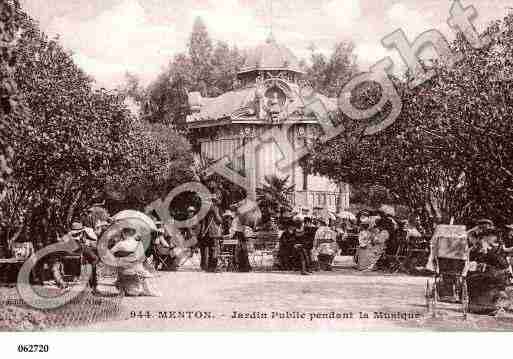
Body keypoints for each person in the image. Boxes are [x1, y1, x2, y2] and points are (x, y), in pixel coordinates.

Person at [467, 228, 510, 314]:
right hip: (486, 274)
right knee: (472, 278)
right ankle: (478, 306)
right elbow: (473, 257)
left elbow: (504, 265)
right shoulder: (478, 248)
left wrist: (487, 253)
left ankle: (488, 306)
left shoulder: (497, 248)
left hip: (496, 275)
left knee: (476, 279)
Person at [110, 227, 160, 297]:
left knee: (121, 267)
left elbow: (110, 253)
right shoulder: (139, 244)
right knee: (141, 269)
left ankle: (123, 289)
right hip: (138, 270)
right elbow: (142, 258)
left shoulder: (120, 244)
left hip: (124, 270)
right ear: (134, 234)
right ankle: (147, 290)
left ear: (124, 234)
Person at [55, 222, 100, 294]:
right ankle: (93, 285)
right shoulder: (81, 245)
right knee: (94, 260)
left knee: (90, 261)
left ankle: (91, 283)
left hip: (69, 260)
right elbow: (94, 240)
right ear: (80, 232)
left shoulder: (66, 239)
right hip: (80, 257)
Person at [199, 184, 223, 272]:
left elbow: (203, 221)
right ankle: (213, 267)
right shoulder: (214, 208)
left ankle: (208, 267)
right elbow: (219, 219)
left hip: (207, 232)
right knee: (214, 249)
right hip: (214, 231)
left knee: (209, 248)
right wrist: (221, 219)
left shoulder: (205, 208)